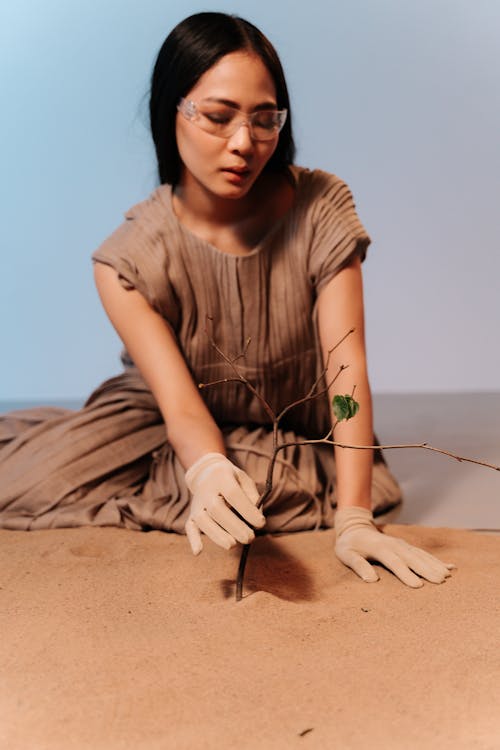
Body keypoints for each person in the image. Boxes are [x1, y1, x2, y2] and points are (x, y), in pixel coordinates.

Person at [0, 12, 454, 588]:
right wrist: (209, 466)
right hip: (167, 420)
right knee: (34, 477)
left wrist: (355, 516)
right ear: (174, 112)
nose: (244, 143)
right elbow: (182, 408)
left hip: (290, 427)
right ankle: (192, 471)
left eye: (264, 120)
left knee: (270, 488)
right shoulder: (126, 261)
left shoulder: (320, 209)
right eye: (218, 117)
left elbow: (346, 371)